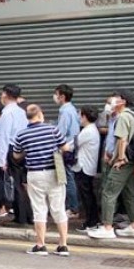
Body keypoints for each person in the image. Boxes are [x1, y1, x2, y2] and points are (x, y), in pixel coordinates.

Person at [12, 104, 71, 256]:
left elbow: (16, 155)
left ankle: (40, 245)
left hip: (35, 174)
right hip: (54, 172)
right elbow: (65, 148)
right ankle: (63, 245)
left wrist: (29, 150)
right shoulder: (53, 130)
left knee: (39, 209)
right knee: (58, 208)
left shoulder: (21, 134)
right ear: (40, 115)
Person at [88, 91, 134, 240]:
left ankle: (107, 227)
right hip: (129, 161)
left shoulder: (124, 117)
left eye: (114, 99)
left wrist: (119, 158)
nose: (110, 102)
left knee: (108, 192)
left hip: (123, 162)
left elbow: (122, 140)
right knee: (128, 193)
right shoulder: (125, 116)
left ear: (122, 101)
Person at [0, 84, 30, 225]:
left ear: (6, 95)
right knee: (22, 184)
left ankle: (21, 217)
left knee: (15, 184)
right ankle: (26, 215)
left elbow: (4, 137)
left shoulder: (7, 113)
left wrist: (2, 160)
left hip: (11, 149)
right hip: (22, 149)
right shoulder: (21, 112)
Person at [53, 84, 81, 218]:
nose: (55, 97)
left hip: (65, 149)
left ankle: (73, 208)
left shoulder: (65, 111)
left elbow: (61, 132)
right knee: (67, 177)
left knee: (66, 178)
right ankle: (71, 206)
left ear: (62, 96)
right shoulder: (72, 109)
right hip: (71, 147)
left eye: (56, 94)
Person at [74, 105, 102, 232]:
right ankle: (93, 220)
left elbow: (73, 144)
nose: (79, 117)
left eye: (80, 115)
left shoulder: (88, 131)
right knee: (88, 195)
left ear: (84, 116)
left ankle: (91, 222)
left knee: (87, 196)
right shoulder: (92, 129)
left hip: (83, 167)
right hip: (87, 167)